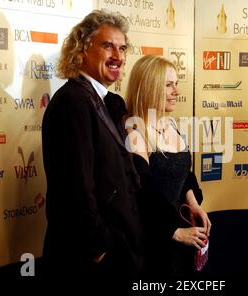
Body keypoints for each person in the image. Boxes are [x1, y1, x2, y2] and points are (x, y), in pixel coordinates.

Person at [41, 9, 143, 277]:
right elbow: (74, 188)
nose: (118, 56)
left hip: (122, 251)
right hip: (88, 261)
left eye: (122, 48)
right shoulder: (72, 102)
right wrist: (101, 249)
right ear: (82, 50)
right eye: (107, 45)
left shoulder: (111, 102)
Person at [125, 55, 211, 277]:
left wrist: (193, 204)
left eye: (177, 84)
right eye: (169, 85)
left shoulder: (171, 124)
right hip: (153, 243)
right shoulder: (134, 132)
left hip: (182, 236)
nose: (177, 92)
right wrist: (173, 232)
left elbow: (184, 174)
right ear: (149, 87)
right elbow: (141, 192)